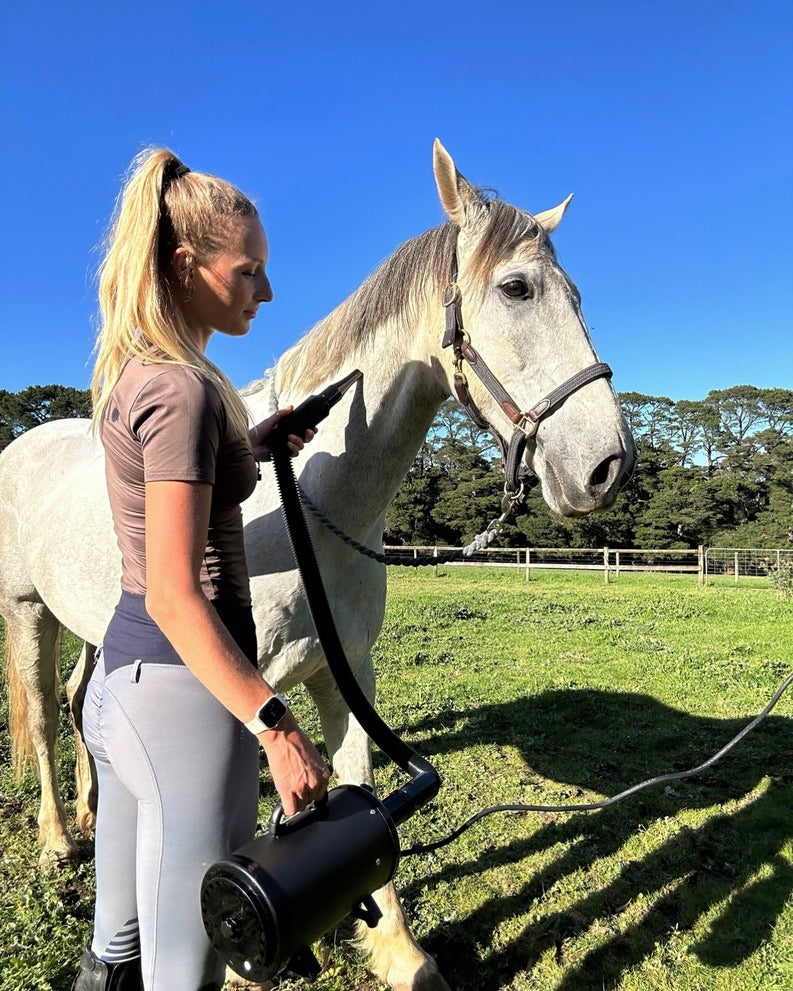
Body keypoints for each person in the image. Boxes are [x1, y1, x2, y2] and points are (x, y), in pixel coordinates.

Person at [73, 149, 330, 991]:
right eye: (248, 271)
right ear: (187, 265)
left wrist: (250, 449)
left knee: (118, 941)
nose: (264, 290)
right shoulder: (183, 390)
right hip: (183, 692)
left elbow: (168, 511)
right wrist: (275, 725)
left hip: (125, 681)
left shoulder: (145, 373)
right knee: (186, 968)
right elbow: (179, 593)